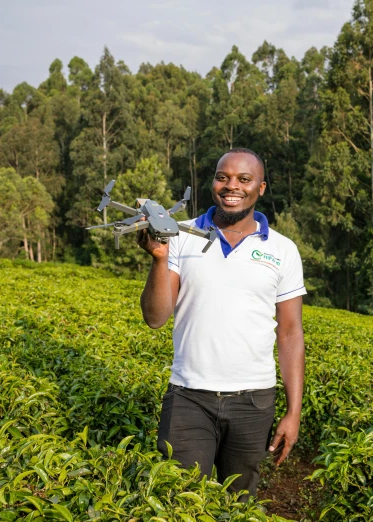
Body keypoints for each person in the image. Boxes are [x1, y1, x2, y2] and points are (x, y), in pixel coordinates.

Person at [137, 147, 306, 498]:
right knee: (178, 500)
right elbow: (155, 318)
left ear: (260, 188)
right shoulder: (179, 235)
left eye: (244, 179)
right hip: (189, 397)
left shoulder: (283, 250)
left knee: (240, 502)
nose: (232, 186)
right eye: (223, 177)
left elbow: (290, 333)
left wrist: (294, 411)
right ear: (213, 182)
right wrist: (159, 259)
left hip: (254, 402)